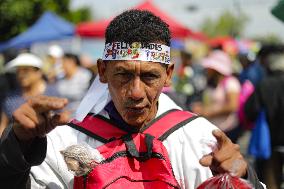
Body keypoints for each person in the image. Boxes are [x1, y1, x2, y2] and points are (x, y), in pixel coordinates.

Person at [0, 10, 264, 189]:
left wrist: (243, 177)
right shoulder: (63, 143)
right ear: (102, 71)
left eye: (149, 76)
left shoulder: (203, 142)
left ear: (168, 75)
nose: (136, 92)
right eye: (123, 75)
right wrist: (17, 147)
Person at [245, 47, 284, 189]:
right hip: (272, 144)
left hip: (269, 145)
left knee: (270, 183)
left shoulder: (264, 84)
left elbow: (250, 111)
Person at [0, 53, 60, 136]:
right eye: (18, 71)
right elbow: (3, 124)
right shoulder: (11, 97)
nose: (21, 75)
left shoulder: (53, 93)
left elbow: (61, 121)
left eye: (26, 70)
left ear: (39, 72)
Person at [192, 50, 241, 133]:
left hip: (228, 131)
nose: (207, 69)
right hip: (214, 129)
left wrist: (209, 112)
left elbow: (233, 106)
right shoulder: (212, 82)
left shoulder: (231, 83)